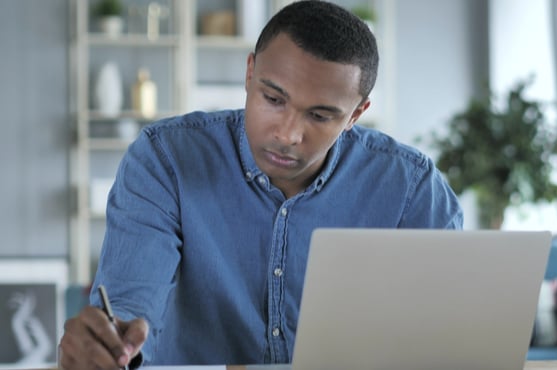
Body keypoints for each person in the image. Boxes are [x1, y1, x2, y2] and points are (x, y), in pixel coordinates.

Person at [58, 1, 463, 368]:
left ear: (356, 114)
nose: (288, 134)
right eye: (273, 99)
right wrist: (112, 345)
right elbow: (131, 306)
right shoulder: (165, 159)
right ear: (250, 73)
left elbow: (450, 329)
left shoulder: (411, 186)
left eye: (320, 116)